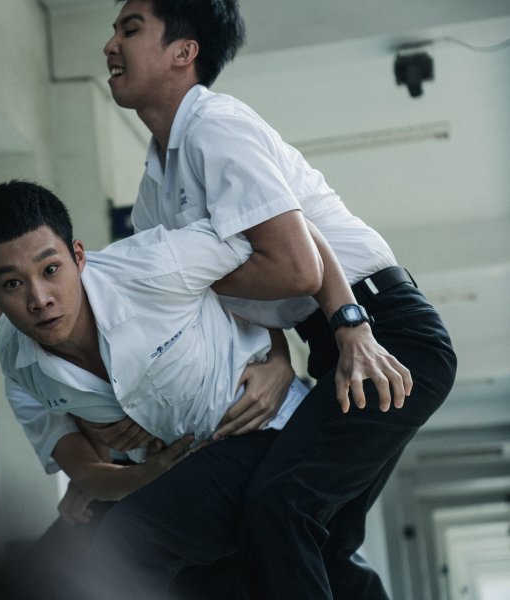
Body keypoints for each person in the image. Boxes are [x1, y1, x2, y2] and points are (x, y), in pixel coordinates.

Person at [99, 1, 457, 597]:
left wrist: (346, 323)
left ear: (184, 52)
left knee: (279, 507)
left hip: (383, 331)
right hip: (326, 340)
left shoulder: (214, 125)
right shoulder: (155, 185)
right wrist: (275, 354)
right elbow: (221, 298)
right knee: (322, 538)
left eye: (130, 29)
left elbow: (294, 264)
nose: (110, 44)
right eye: (113, 30)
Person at [0, 179, 310, 598]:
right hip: (183, 472)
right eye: (13, 284)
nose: (40, 299)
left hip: (270, 431)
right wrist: (146, 467)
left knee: (128, 542)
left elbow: (281, 244)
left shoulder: (153, 265)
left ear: (78, 256)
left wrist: (284, 355)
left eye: (50, 270)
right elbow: (86, 471)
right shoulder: (14, 357)